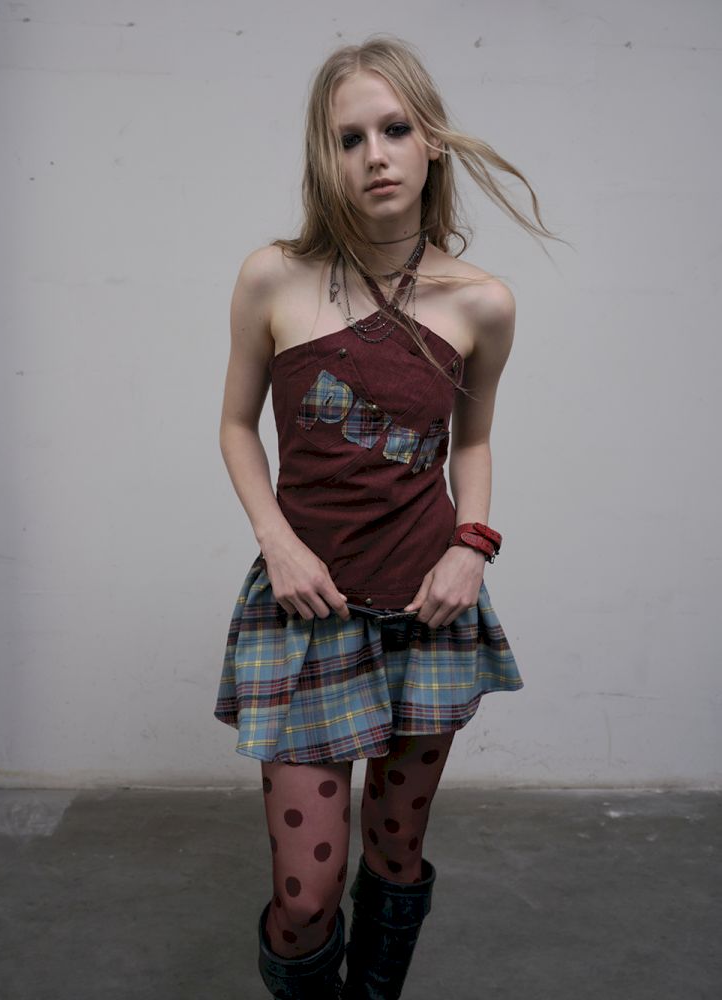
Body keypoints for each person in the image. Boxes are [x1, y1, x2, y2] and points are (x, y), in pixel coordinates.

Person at [214, 35, 562, 1000]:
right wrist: (277, 544)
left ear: (432, 142)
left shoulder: (482, 302)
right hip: (307, 611)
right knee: (307, 894)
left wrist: (472, 547)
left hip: (426, 611)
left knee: (397, 854)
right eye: (349, 137)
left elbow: (472, 444)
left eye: (396, 129)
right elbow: (237, 427)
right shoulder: (272, 277)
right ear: (324, 156)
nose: (375, 155)